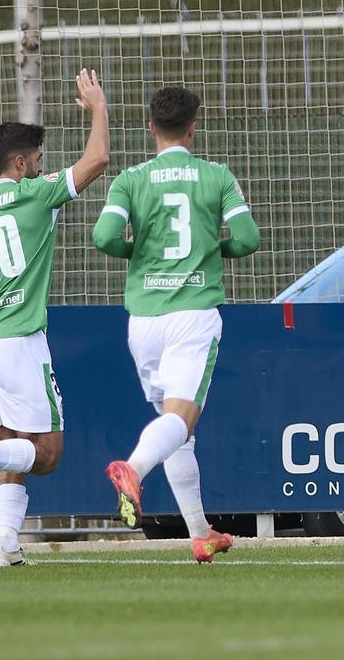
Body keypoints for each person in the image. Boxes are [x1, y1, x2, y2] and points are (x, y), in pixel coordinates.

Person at [0, 69, 110, 567]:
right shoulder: (34, 194)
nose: (41, 167)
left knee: (16, 448)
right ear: (18, 162)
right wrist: (98, 108)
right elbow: (96, 159)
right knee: (49, 455)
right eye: (36, 160)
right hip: (18, 341)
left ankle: (6, 548)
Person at [93, 86, 260, 564]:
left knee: (176, 426)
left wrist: (138, 254)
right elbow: (247, 240)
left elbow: (104, 237)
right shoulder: (216, 176)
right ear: (192, 128)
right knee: (179, 421)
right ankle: (133, 469)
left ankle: (199, 531)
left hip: (143, 320)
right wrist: (209, 252)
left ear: (151, 128)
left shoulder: (131, 178)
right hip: (192, 315)